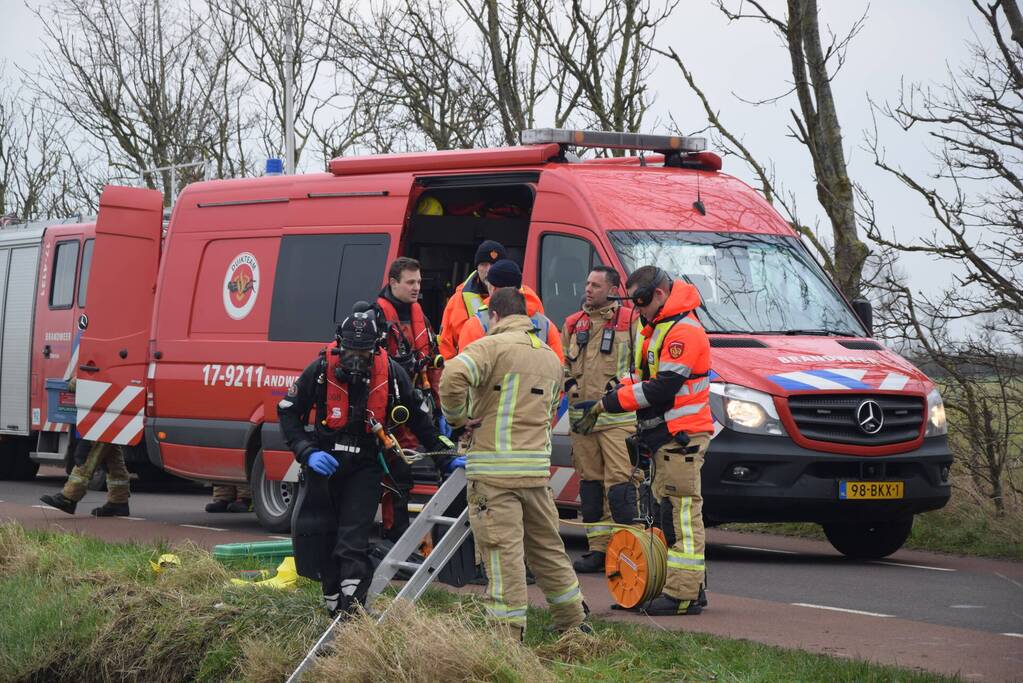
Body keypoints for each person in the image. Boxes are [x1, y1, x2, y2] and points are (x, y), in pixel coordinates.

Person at [278, 303, 453, 618]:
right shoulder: (320, 370)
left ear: (376, 348)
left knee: (353, 540)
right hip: (325, 461)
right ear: (339, 344)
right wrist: (307, 451)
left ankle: (351, 611)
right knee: (323, 536)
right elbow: (288, 411)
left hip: (366, 465)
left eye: (362, 353)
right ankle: (334, 605)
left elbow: (421, 423)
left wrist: (446, 457)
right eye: (349, 352)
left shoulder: (394, 375)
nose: (355, 361)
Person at [440, 288, 588, 639]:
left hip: (494, 472)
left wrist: (459, 419)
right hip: (536, 472)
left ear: (494, 315)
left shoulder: (491, 347)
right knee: (548, 548)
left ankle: (506, 636)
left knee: (502, 552)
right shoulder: (550, 358)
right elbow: (551, 409)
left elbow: (451, 377)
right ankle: (572, 621)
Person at [573, 266, 713, 616]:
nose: (639, 309)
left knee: (681, 514)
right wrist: (617, 387)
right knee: (669, 514)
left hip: (682, 435)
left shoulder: (684, 331)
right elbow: (640, 376)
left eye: (644, 301)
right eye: (635, 302)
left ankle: (683, 594)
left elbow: (663, 387)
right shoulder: (655, 328)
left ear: (661, 295)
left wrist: (610, 402)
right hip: (664, 434)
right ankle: (689, 588)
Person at [563, 266, 639, 572]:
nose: (588, 289)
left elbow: (642, 365)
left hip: (618, 416)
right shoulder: (572, 323)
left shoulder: (631, 321)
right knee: (590, 485)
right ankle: (597, 550)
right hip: (583, 418)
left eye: (595, 285)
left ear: (612, 289)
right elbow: (561, 362)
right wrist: (568, 384)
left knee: (620, 484)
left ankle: (626, 549)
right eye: (587, 284)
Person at [374, 256, 444, 541]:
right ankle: (392, 533)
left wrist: (439, 406)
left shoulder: (419, 316)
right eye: (410, 282)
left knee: (404, 475)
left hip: (412, 406)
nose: (416, 287)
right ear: (393, 283)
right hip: (386, 411)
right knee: (392, 474)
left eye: (419, 281)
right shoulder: (376, 316)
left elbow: (432, 362)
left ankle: (397, 534)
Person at [40, 376, 132, 517]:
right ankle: (118, 502)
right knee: (113, 461)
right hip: (113, 411)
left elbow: (80, 383)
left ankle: (68, 498)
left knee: (88, 457)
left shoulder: (101, 361)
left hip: (103, 415)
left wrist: (73, 380)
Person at [456, 259, 564, 362]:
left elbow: (466, 372)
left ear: (492, 288)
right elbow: (558, 368)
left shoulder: (476, 325)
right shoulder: (545, 325)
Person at [437, 239, 507, 359]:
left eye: (494, 265)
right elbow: (446, 345)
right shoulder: (458, 300)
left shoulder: (520, 298)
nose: (489, 270)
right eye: (484, 264)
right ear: (477, 268)